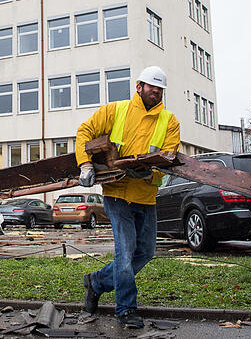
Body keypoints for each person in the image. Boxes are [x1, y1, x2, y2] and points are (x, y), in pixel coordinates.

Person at [75, 66, 180, 328]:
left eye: (159, 89)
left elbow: (169, 157)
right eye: (151, 87)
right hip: (118, 193)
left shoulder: (169, 121)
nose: (155, 92)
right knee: (125, 254)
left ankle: (96, 282)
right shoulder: (115, 111)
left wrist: (147, 174)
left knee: (145, 252)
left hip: (145, 195)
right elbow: (84, 132)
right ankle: (125, 309)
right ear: (139, 87)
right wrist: (85, 164)